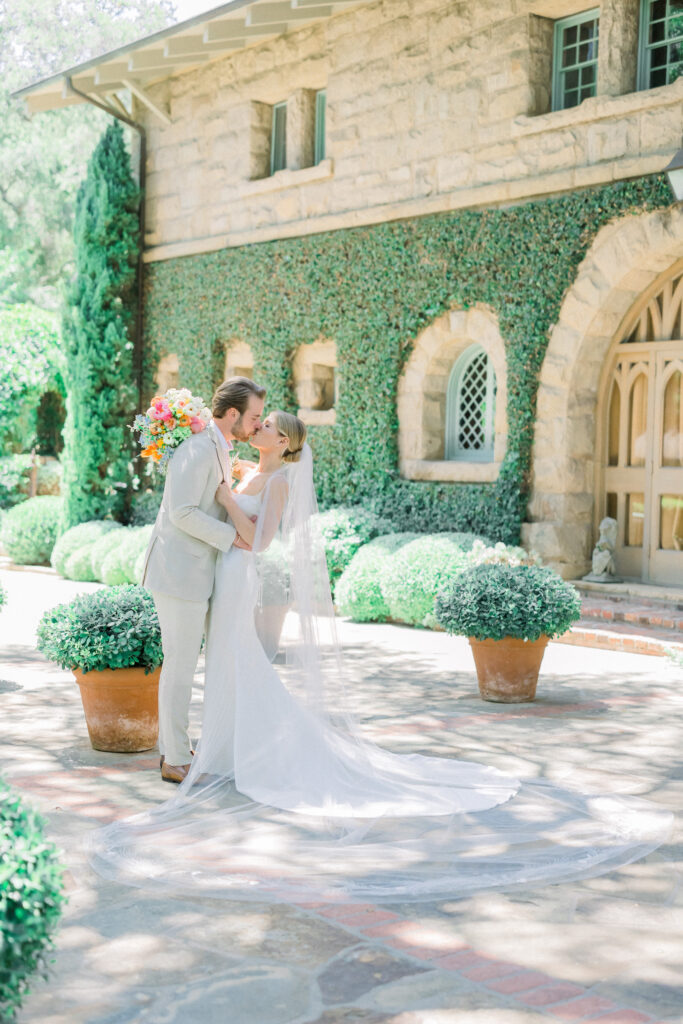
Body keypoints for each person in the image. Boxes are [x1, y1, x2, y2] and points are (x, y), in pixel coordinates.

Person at [89, 407, 671, 904]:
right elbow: (220, 498)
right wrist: (222, 484)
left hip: (240, 569)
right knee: (229, 666)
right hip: (223, 572)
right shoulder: (245, 469)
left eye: (268, 425)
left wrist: (225, 499)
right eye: (259, 420)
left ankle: (238, 750)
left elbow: (259, 539)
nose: (259, 426)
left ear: (286, 443)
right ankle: (226, 746)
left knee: (238, 662)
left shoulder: (280, 481)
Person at [141, 376, 265, 783]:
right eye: (254, 416)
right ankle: (173, 758)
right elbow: (182, 512)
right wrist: (233, 538)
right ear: (232, 414)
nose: (257, 425)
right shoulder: (197, 447)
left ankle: (177, 747)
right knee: (179, 665)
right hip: (178, 572)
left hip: (196, 572)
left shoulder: (217, 446)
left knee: (184, 664)